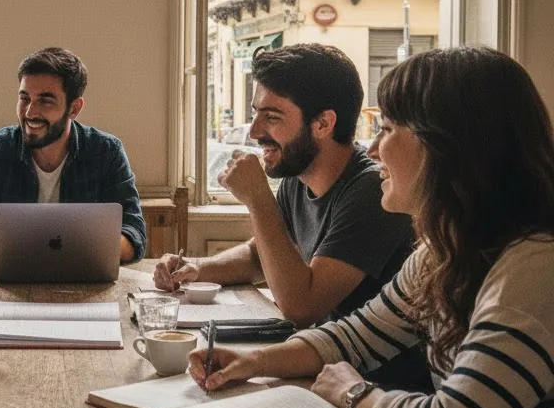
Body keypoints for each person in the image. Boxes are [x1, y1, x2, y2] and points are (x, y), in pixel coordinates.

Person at [190, 46, 554, 408]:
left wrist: (356, 393)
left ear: (443, 147)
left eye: (387, 129)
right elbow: (354, 335)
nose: (375, 148)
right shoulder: (442, 253)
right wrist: (252, 362)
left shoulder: (533, 268)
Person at [154, 44, 414, 324]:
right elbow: (261, 257)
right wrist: (195, 268)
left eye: (272, 117)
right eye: (255, 114)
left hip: (359, 366)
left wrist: (258, 198)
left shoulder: (373, 192)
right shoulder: (298, 176)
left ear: (323, 124)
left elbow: (303, 307)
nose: (254, 132)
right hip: (325, 354)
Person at [0, 47, 146, 262]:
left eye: (45, 100)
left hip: (85, 285)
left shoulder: (106, 152)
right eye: (24, 98)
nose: (30, 112)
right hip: (6, 289)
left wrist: (80, 248)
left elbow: (134, 236)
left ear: (74, 108)